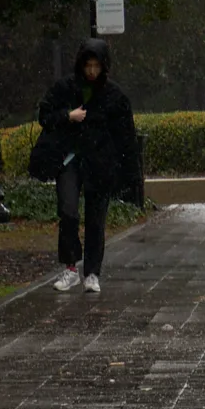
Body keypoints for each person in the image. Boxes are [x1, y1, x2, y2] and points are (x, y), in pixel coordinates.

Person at [31, 43, 141, 295]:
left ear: (104, 67)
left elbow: (126, 136)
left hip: (100, 164)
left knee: (96, 218)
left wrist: (127, 172)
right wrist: (67, 116)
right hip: (69, 159)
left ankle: (92, 272)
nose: (92, 71)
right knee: (68, 211)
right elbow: (45, 115)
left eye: (96, 66)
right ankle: (70, 267)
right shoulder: (65, 89)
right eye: (88, 65)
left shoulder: (114, 97)